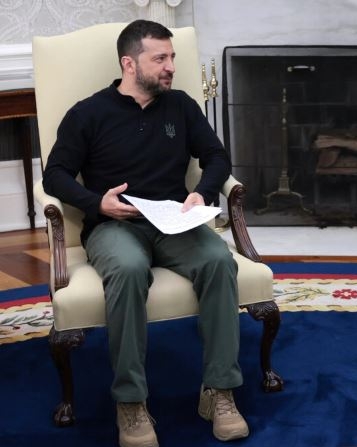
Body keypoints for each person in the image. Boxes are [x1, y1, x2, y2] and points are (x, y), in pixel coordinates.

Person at [42, 20, 248, 447]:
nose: (171, 66)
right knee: (130, 269)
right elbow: (55, 174)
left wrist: (202, 192)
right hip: (116, 226)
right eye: (161, 58)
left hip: (174, 223)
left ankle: (220, 391)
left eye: (172, 56)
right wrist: (96, 201)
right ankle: (131, 402)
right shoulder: (89, 113)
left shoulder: (182, 107)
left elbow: (216, 157)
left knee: (218, 261)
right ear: (129, 63)